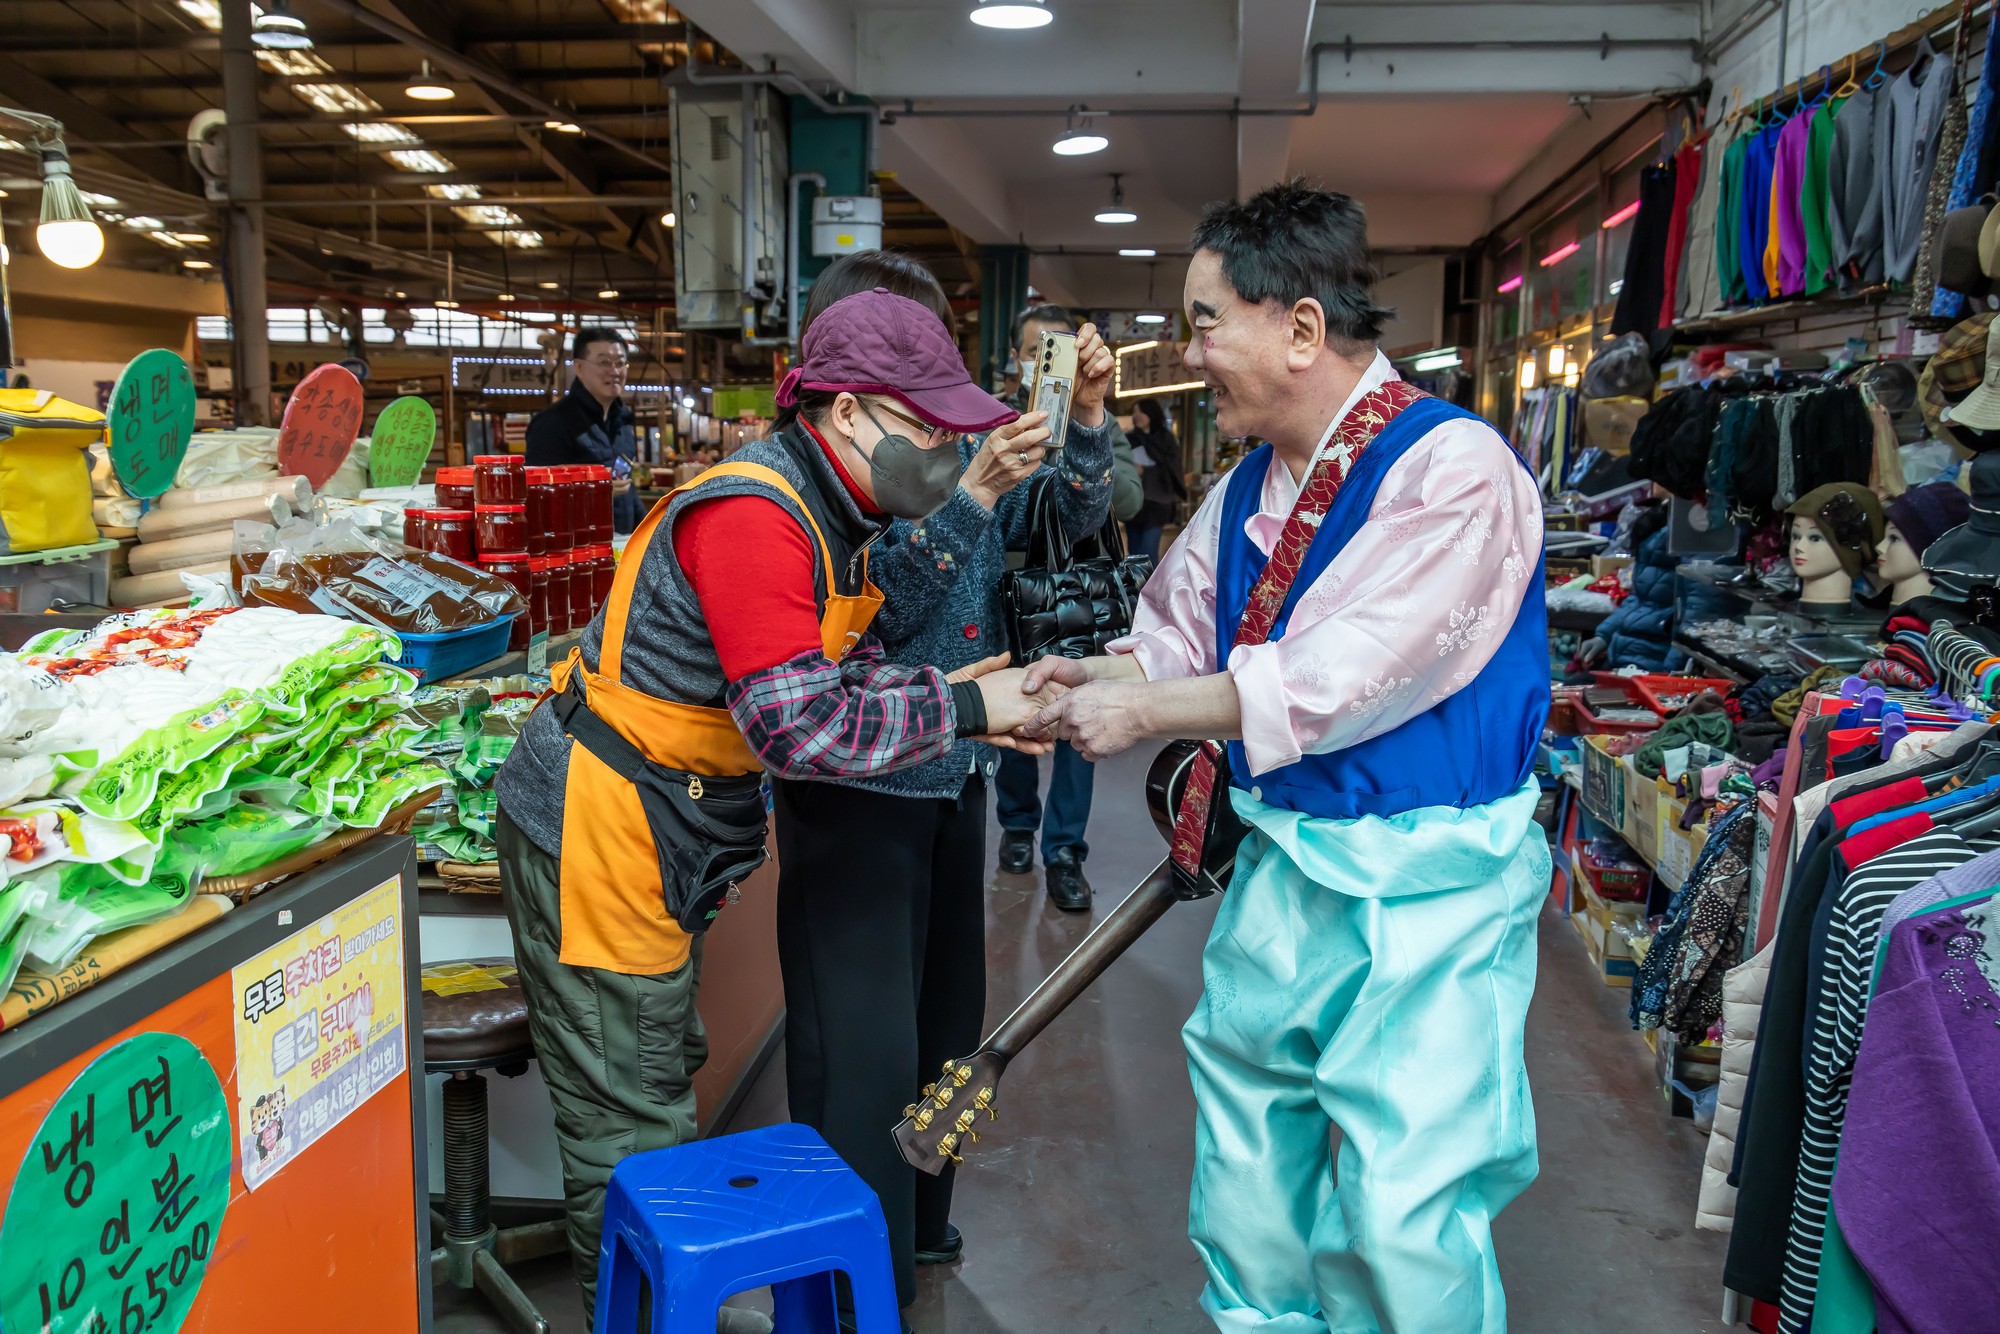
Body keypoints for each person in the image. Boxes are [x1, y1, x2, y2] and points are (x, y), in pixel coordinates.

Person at [1019, 180, 1552, 1333]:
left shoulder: (1453, 470)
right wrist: (1086, 678)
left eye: (1205, 322)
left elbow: (1340, 674)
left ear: (1299, 327)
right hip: (1285, 868)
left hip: (1428, 890)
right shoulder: (1248, 483)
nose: (1189, 353)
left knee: (1403, 1207)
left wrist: (1141, 713)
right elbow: (1175, 634)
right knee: (1248, 1169)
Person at [491, 288, 1057, 1332]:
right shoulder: (757, 516)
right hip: (604, 825)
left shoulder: (838, 512)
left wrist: (950, 700)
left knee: (657, 1063)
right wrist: (969, 707)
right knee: (629, 1116)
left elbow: (835, 672)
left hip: (668, 823)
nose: (944, 451)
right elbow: (801, 728)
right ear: (845, 412)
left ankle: (677, 1299)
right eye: (926, 427)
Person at [775, 253, 1115, 1313]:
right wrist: (970, 496)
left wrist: (1085, 424)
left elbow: (1070, 516)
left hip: (957, 768)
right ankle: (855, 1268)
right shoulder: (828, 478)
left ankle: (923, 1218)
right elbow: (881, 605)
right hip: (862, 781)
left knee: (946, 1023)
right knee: (860, 1042)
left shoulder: (957, 439)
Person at [992, 303, 1143, 910]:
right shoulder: (991, 423)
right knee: (1016, 709)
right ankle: (1017, 826)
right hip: (1009, 594)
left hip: (1078, 599)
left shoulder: (1098, 420)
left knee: (1078, 719)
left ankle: (1064, 851)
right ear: (1016, 358)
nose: (1044, 362)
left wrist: (1082, 435)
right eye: (1036, 351)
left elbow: (1128, 500)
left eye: (1055, 350)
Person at [525, 326, 641, 534]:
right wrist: (593, 492)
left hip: (622, 543)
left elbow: (627, 490)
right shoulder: (552, 424)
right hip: (576, 544)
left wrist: (651, 530)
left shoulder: (623, 423)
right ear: (578, 367)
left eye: (620, 363)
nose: (614, 371)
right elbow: (538, 495)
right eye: (604, 362)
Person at [1125, 395, 1187, 561]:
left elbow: (1172, 468)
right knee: (1133, 553)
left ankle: (1150, 579)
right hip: (1134, 502)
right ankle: (1137, 579)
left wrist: (1144, 471)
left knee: (1148, 552)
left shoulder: (1166, 439)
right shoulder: (1130, 439)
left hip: (1157, 503)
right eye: (1134, 412)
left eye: (1140, 412)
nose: (1136, 416)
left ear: (1151, 413)